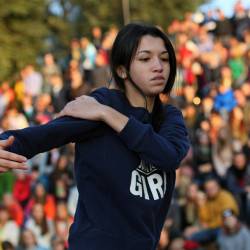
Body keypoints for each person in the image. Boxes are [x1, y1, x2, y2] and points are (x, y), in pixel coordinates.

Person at [0, 23, 190, 250]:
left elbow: (168, 156)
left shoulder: (169, 117)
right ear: (122, 70)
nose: (158, 66)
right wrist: (8, 144)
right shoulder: (101, 102)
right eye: (145, 58)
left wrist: (108, 116)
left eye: (165, 59)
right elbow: (46, 134)